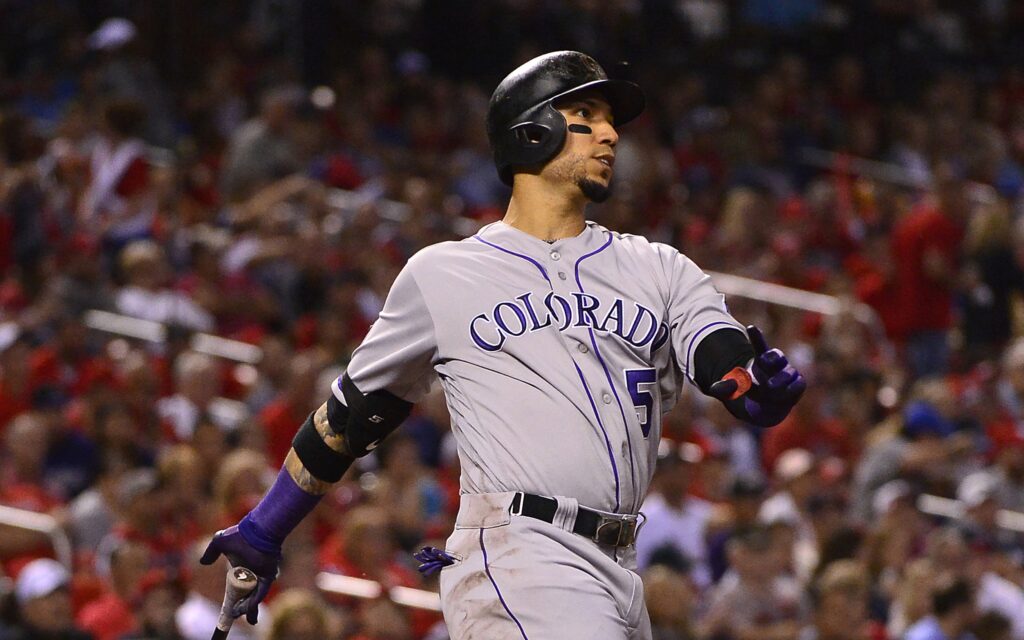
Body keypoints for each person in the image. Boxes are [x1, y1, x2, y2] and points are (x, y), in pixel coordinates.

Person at [201, 50, 806, 638]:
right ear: (532, 130)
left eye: (611, 123)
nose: (610, 136)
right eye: (587, 117)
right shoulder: (443, 274)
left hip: (620, 568)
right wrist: (264, 528)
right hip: (519, 552)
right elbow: (351, 416)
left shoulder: (660, 267)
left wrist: (751, 386)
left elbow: (718, 349)